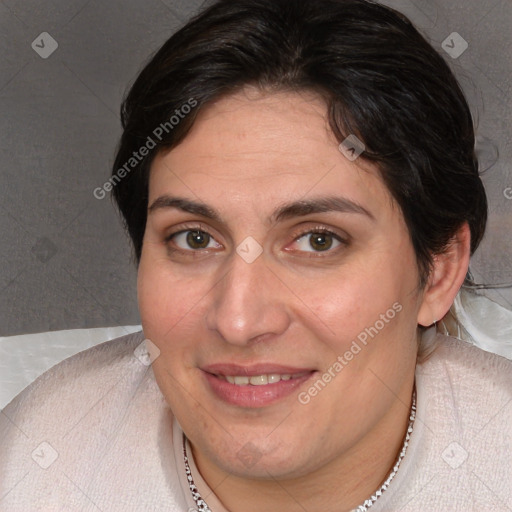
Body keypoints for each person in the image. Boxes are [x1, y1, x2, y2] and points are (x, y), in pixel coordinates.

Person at [1, 0, 510, 510]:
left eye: (318, 240)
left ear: (439, 271)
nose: (238, 321)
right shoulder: (33, 469)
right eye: (194, 238)